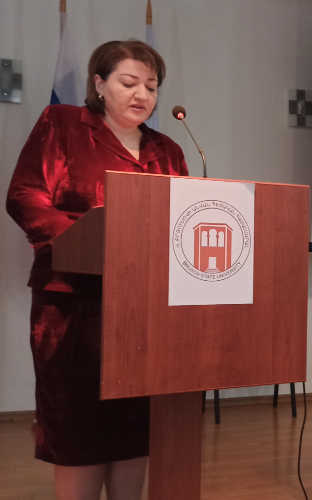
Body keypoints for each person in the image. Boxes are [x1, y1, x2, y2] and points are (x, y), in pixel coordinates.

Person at [6, 40, 189, 500]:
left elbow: (185, 219)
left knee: (133, 425)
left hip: (145, 309)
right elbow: (25, 195)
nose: (142, 94)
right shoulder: (63, 124)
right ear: (99, 84)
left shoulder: (166, 149)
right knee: (80, 429)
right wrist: (85, 238)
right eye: (129, 82)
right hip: (73, 307)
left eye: (151, 86)